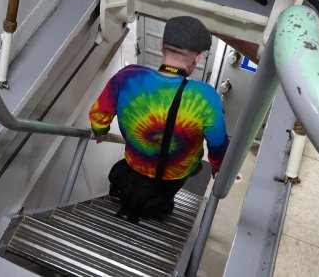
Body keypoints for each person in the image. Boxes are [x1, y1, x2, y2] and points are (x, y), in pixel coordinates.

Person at [89, 16, 229, 222]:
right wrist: (217, 166)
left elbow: (100, 115)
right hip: (175, 174)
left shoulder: (128, 76)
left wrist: (100, 131)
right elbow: (218, 144)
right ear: (198, 57)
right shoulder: (205, 97)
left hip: (135, 163)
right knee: (168, 190)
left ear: (161, 45)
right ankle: (157, 207)